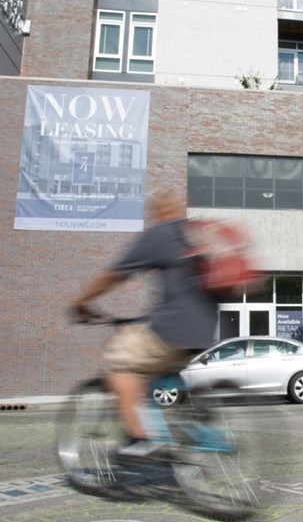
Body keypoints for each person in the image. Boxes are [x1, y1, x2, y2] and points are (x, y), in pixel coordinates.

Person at [69, 191, 219, 458]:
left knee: (120, 364)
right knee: (159, 370)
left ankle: (141, 437)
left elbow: (113, 275)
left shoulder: (161, 233)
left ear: (158, 212)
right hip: (205, 330)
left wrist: (81, 301)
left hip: (174, 328)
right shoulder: (196, 236)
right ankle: (192, 427)